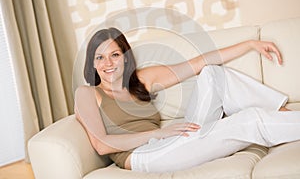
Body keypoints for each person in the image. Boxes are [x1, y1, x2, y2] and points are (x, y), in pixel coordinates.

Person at [75, 27, 300, 173]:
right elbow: (102, 144)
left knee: (212, 73)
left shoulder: (141, 79)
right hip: (144, 157)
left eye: (115, 55)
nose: (108, 64)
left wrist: (249, 45)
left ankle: (283, 113)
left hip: (168, 142)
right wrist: (156, 133)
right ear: (92, 63)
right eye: (100, 57)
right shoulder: (87, 94)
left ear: (125, 58)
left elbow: (197, 63)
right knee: (250, 120)